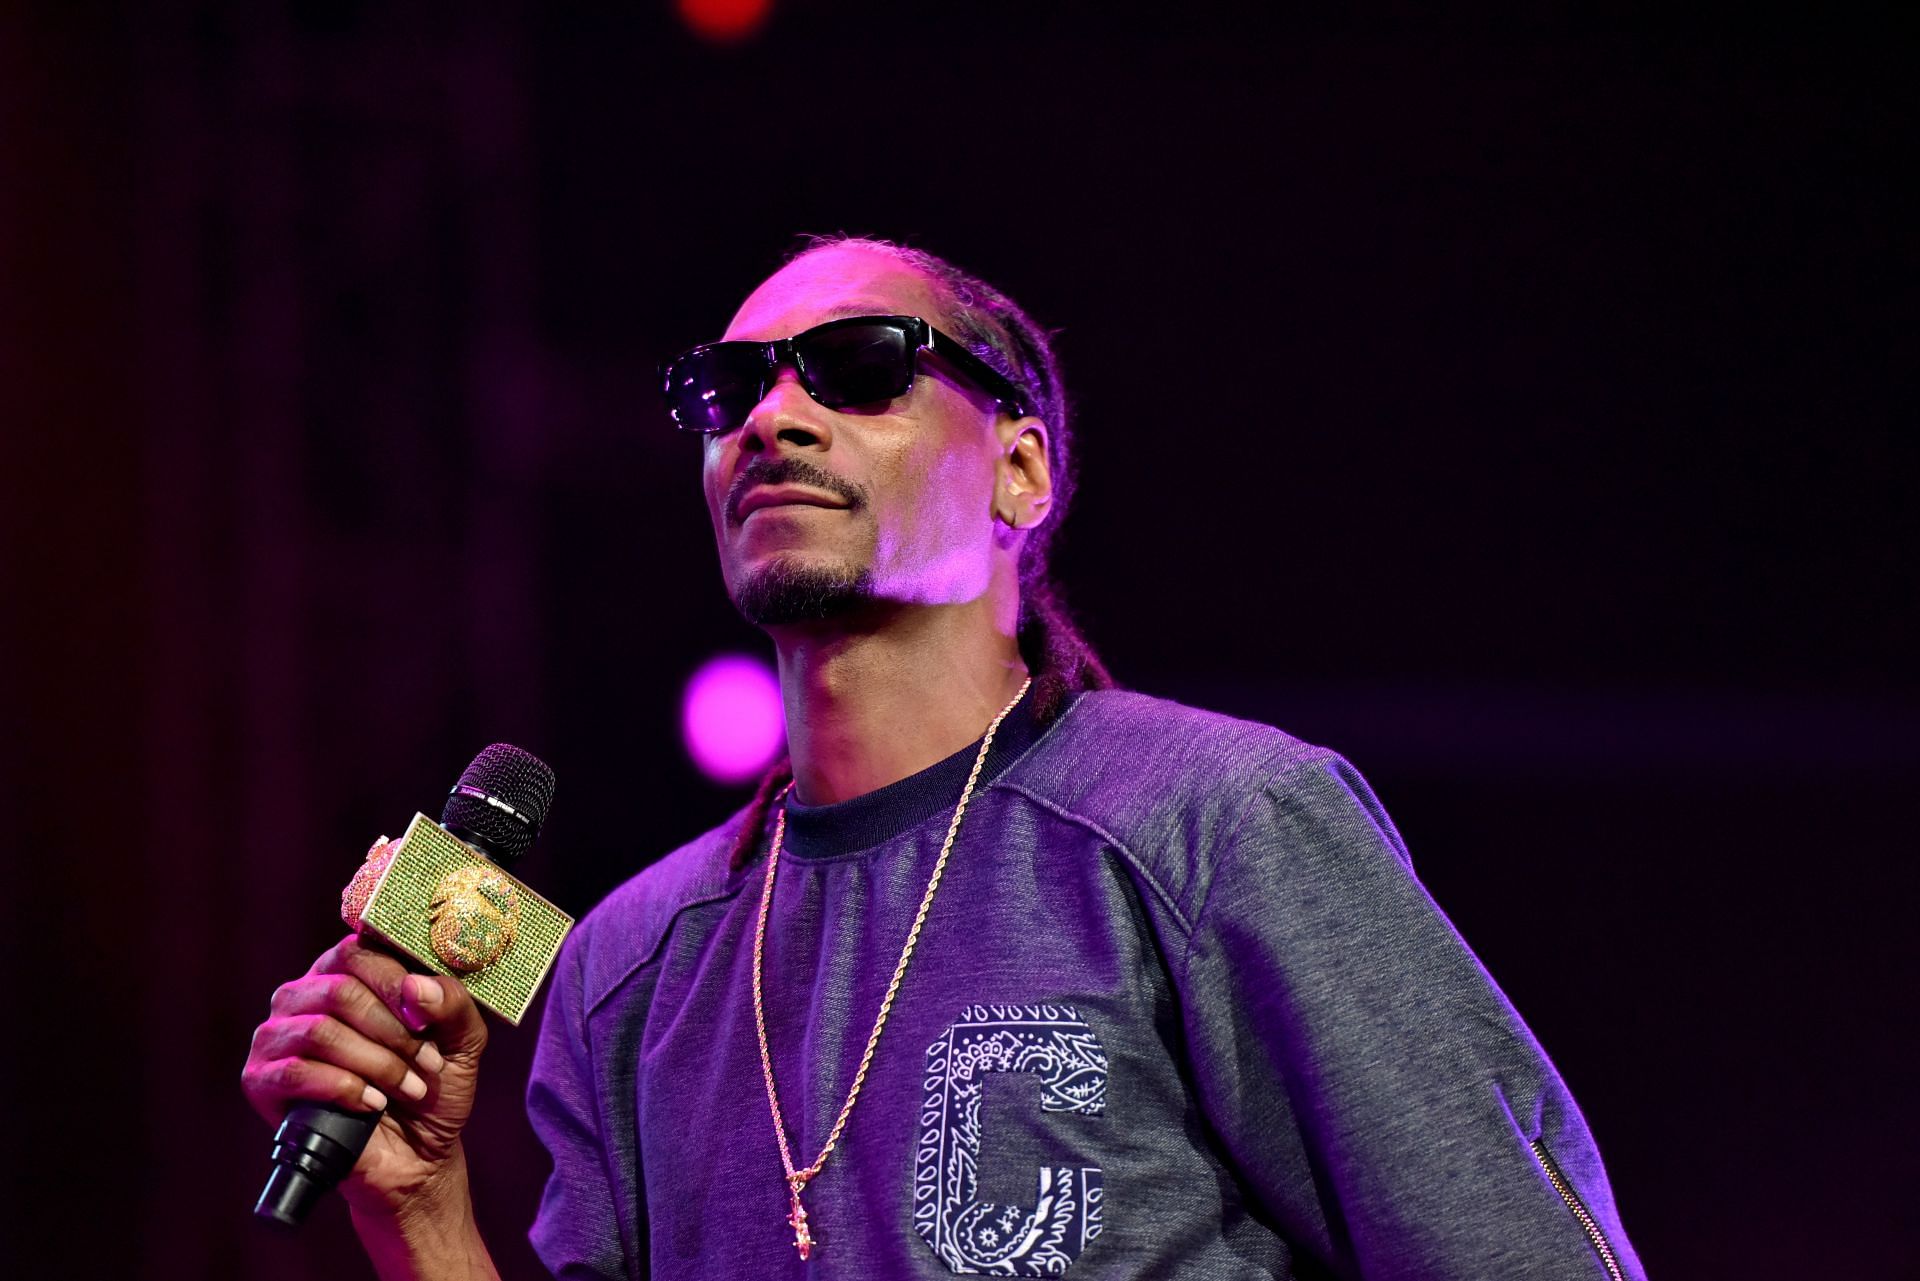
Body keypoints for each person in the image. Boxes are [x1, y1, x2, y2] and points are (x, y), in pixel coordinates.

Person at [243, 237, 1645, 1280]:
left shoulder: (1214, 818)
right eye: (728, 389)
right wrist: (418, 1206)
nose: (775, 419)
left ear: (1020, 472)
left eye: (861, 370)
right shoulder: (626, 959)